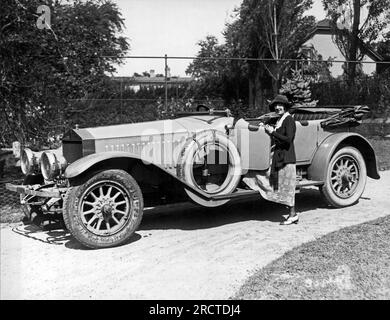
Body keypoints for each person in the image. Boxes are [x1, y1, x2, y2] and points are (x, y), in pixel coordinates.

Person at [243, 94, 298, 225]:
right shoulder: (280, 119)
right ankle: (292, 214)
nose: (278, 108)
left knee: (287, 187)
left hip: (286, 158)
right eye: (276, 106)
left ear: (285, 107)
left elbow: (288, 139)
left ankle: (293, 215)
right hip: (280, 157)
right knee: (276, 183)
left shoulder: (289, 120)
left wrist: (272, 132)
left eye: (280, 105)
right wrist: (266, 126)